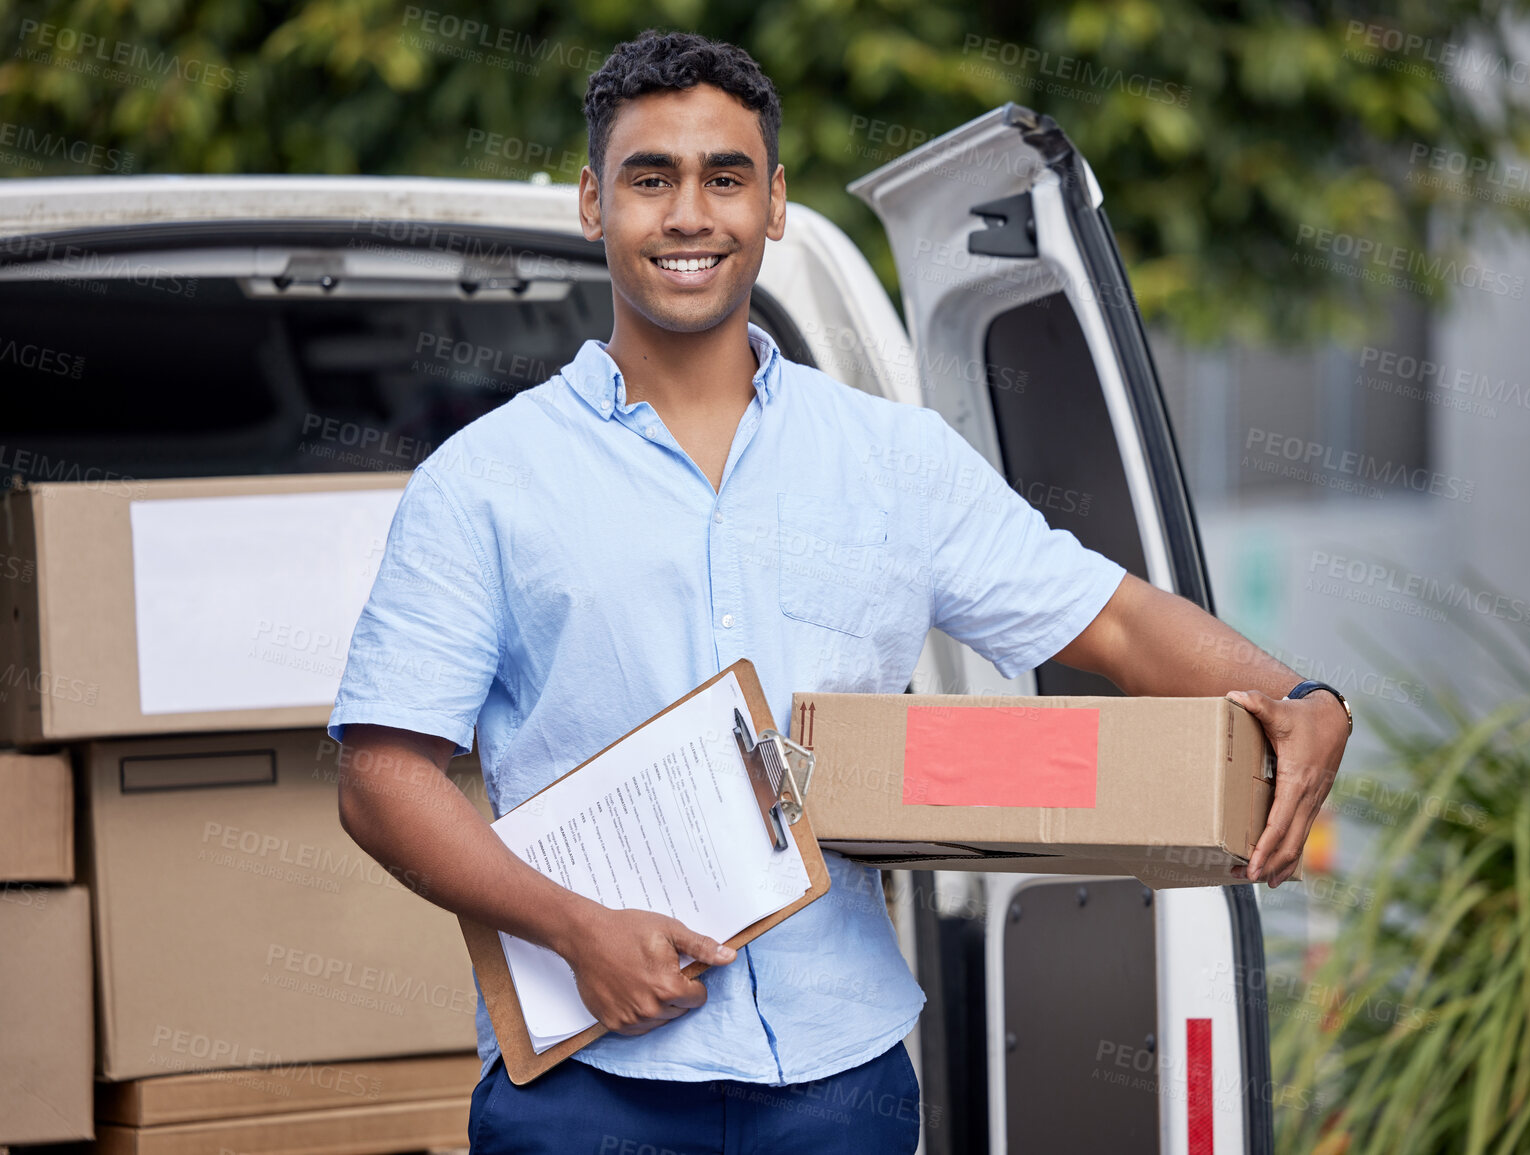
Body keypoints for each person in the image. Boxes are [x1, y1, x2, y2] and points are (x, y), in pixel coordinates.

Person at [329, 28, 1350, 1155]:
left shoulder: (892, 461)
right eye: (648, 178)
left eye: (725, 177)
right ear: (591, 203)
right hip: (586, 1089)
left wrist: (1300, 693)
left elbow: (1108, 618)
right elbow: (381, 778)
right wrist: (576, 932)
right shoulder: (485, 481)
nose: (687, 215)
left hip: (840, 1085)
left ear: (773, 203)